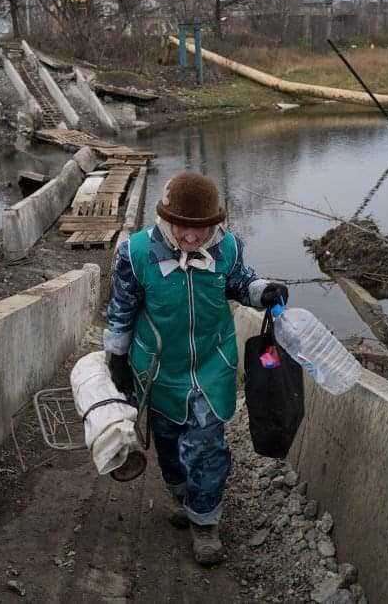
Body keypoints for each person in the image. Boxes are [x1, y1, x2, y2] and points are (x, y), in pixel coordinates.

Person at [104, 171, 288, 566]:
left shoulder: (228, 249)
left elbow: (242, 283)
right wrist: (117, 358)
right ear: (166, 220)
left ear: (215, 225)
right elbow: (120, 309)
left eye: (202, 230)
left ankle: (205, 522)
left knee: (205, 444)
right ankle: (184, 497)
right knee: (169, 445)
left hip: (211, 364)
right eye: (183, 228)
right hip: (157, 368)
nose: (192, 238)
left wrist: (263, 292)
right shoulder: (135, 254)